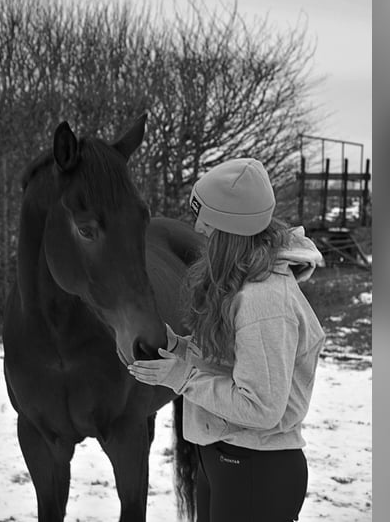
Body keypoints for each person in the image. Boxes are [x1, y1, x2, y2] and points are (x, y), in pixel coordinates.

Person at [128, 158, 326, 522]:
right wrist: (180, 349)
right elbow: (230, 365)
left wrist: (182, 378)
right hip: (225, 459)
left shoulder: (264, 301)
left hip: (257, 471)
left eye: (206, 218)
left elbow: (261, 408)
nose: (198, 227)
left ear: (231, 228)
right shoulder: (241, 283)